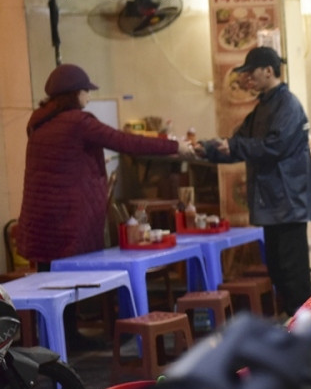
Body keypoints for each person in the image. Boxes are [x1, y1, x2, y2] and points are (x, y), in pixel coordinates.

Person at [17, 63, 196, 349]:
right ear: (75, 93)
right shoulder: (78, 122)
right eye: (86, 91)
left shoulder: (39, 124)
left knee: (51, 280)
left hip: (41, 219)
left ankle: (60, 339)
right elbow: (124, 141)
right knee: (71, 278)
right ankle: (70, 340)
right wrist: (173, 146)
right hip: (69, 217)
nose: (88, 97)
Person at [197, 46, 311, 317]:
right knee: (277, 270)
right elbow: (239, 143)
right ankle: (292, 331)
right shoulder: (262, 107)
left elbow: (274, 146)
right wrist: (205, 149)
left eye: (252, 72)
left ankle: (305, 337)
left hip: (289, 204)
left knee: (293, 275)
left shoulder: (288, 104)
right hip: (272, 206)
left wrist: (233, 146)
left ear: (268, 70)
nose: (249, 78)